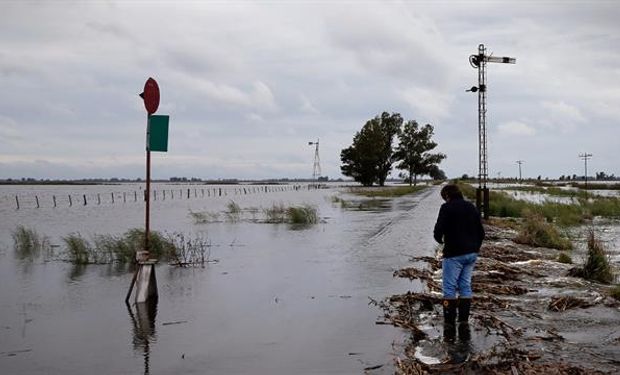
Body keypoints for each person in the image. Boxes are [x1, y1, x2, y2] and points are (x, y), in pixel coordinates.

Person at [433, 184, 485, 330]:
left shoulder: (446, 208)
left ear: (447, 196)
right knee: (465, 286)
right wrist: (475, 248)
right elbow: (481, 232)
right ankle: (463, 321)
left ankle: (449, 324)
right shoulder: (471, 207)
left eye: (444, 198)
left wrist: (441, 242)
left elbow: (438, 231)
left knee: (449, 288)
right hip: (471, 253)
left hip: (454, 254)